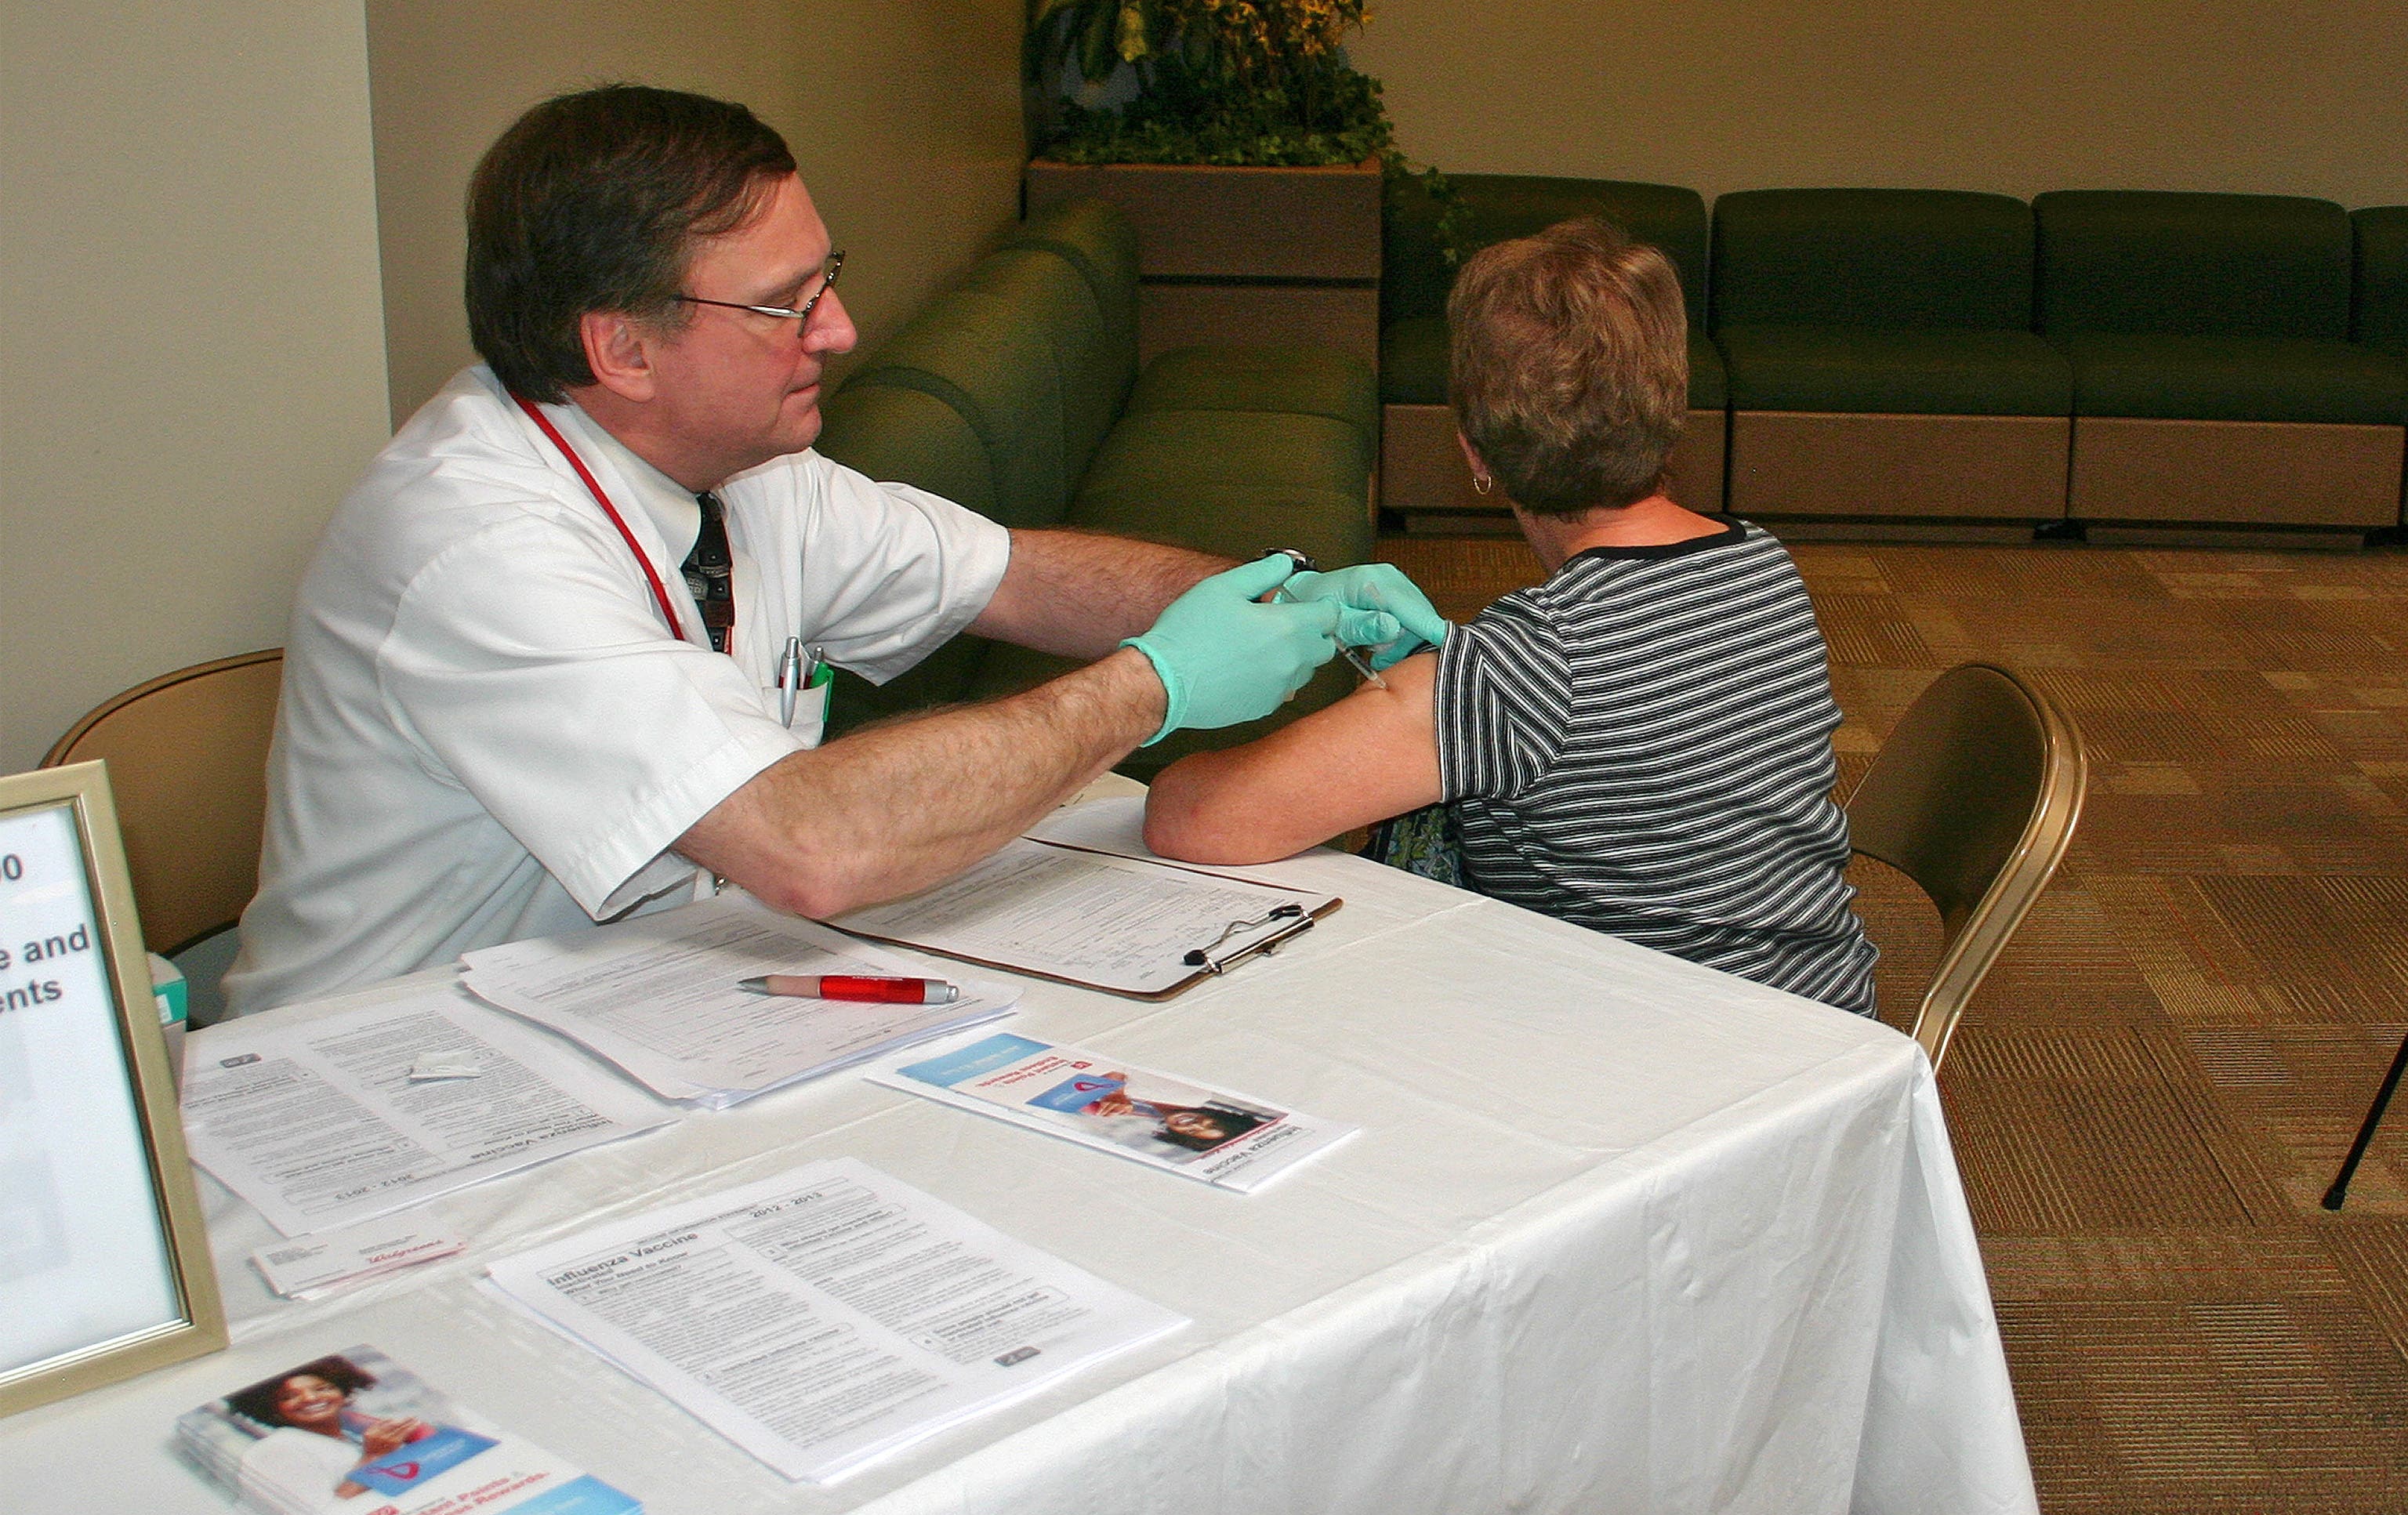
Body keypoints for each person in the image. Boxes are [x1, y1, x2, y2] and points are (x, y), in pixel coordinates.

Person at [225, 85, 1442, 1015]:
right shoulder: (473, 548)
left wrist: (1267, 594)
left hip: (640, 1012)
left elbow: (1015, 576)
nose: (841, 330)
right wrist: (1154, 684)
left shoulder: (753, 471)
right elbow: (808, 847)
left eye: (830, 279)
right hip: (398, 1080)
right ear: (624, 351)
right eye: (788, 302)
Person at [1144, 219, 1877, 1014]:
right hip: (1818, 1014)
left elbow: (1194, 819)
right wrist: (1446, 686)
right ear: (1670, 405)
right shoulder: (1761, 561)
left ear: (1473, 452)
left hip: (1670, 1059)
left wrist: (1422, 692)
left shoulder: (1523, 668)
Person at [224, 1357, 435, 1501]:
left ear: (343, 1393)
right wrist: (374, 1457)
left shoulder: (355, 1435)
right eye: (289, 1396)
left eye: (323, 1388)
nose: (310, 1398)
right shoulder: (276, 1448)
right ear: (273, 1410)